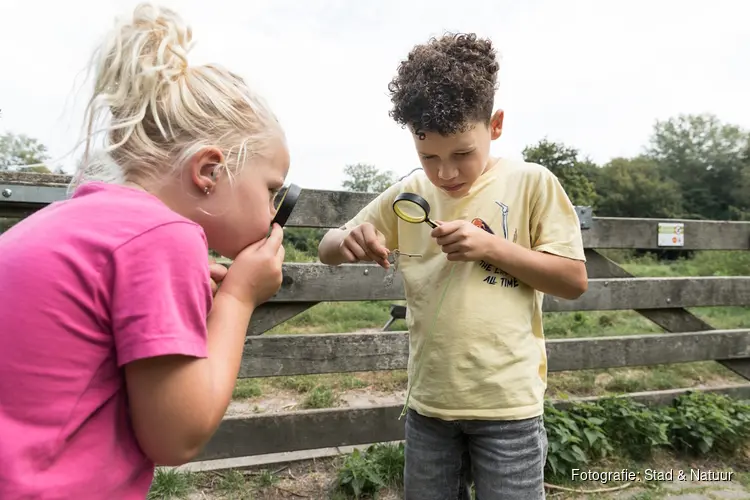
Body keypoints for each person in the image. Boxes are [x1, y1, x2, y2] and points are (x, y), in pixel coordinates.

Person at [0, 4, 288, 499]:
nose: (273, 212)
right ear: (210, 171)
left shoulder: (71, 223)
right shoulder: (162, 236)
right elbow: (176, 436)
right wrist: (239, 299)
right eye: (271, 190)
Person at [318, 33, 588, 500]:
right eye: (429, 156)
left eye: (462, 153)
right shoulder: (411, 193)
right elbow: (326, 247)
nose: (445, 173)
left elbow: (572, 280)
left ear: (495, 124)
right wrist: (347, 240)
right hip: (429, 409)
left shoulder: (532, 183)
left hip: (509, 410)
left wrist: (491, 246)